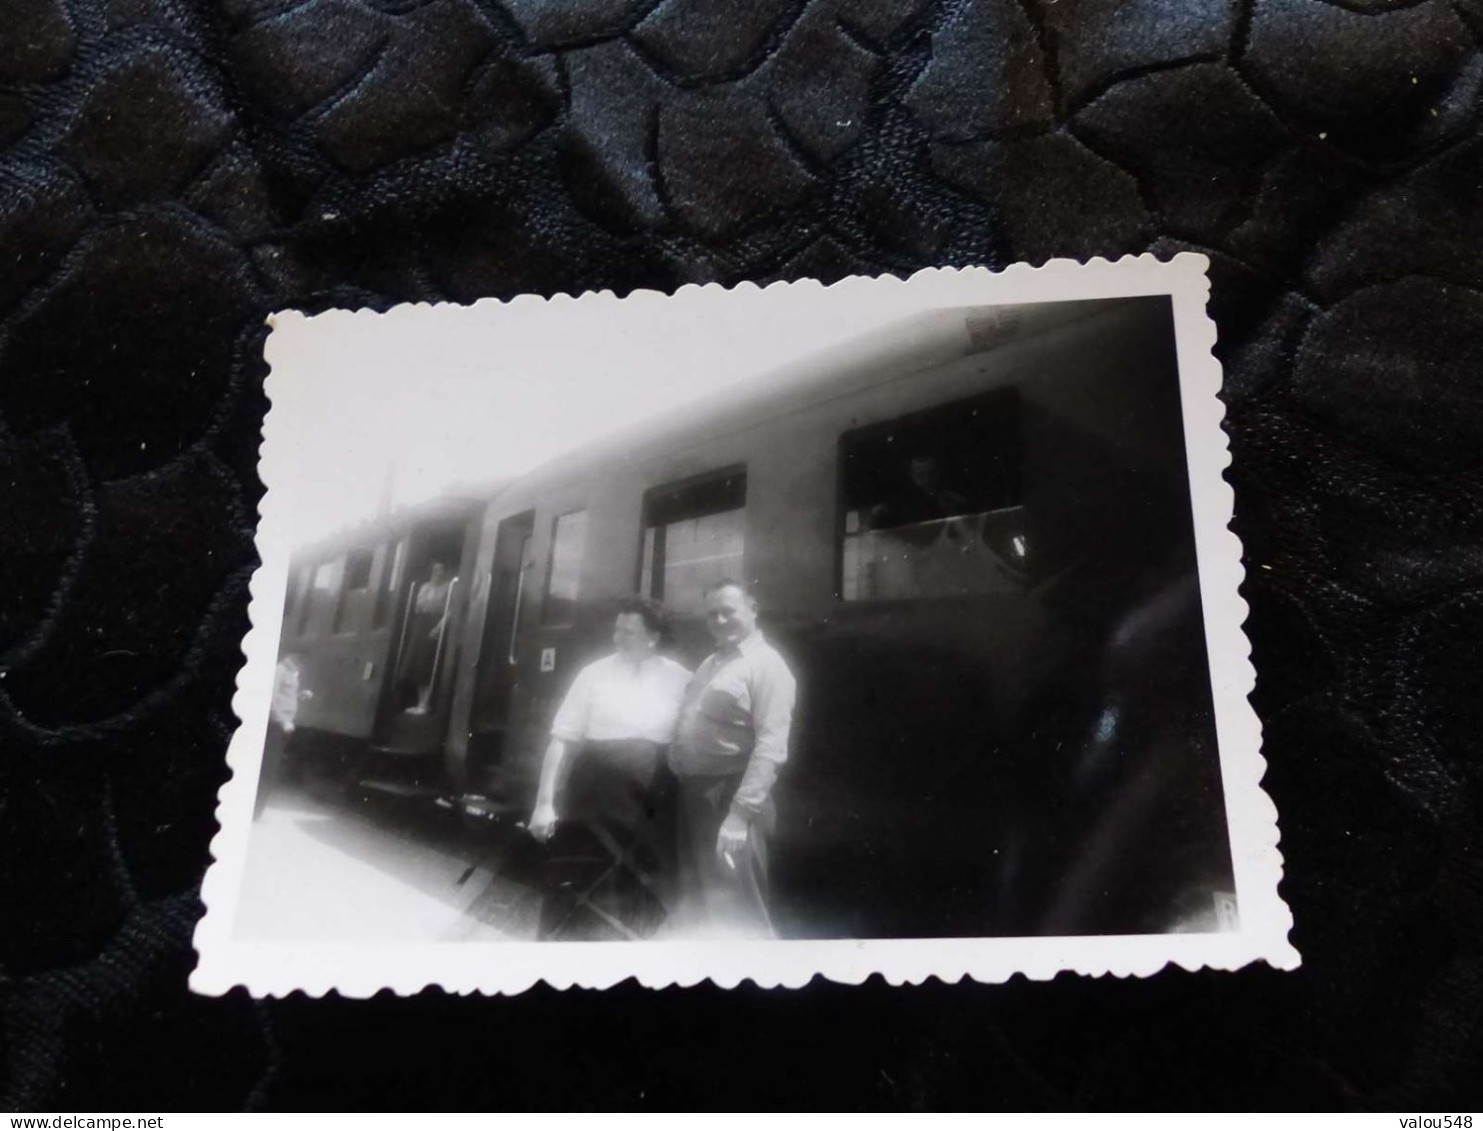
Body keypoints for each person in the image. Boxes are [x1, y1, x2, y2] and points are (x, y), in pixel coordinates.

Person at [527, 597, 691, 938]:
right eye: (617, 629)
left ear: (653, 637)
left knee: (643, 891)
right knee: (581, 888)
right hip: (594, 800)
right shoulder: (593, 675)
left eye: (629, 631)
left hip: (653, 803)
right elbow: (562, 740)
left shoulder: (681, 679)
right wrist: (544, 803)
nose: (618, 637)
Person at [665, 578, 798, 938]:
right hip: (697, 795)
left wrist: (739, 816)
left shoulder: (768, 665)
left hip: (733, 797)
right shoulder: (712, 662)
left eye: (728, 612)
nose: (720, 621)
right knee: (701, 904)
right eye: (712, 615)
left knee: (742, 911)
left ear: (752, 610)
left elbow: (771, 745)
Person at [254, 652, 307, 820]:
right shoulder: (280, 671)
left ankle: (257, 811)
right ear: (293, 660)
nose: (299, 668)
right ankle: (254, 811)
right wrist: (282, 721)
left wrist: (300, 696)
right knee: (268, 768)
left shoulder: (290, 673)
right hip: (277, 725)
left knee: (271, 768)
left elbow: (285, 697)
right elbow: (271, 699)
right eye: (299, 664)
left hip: (283, 726)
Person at [402, 561, 452, 714]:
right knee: (418, 664)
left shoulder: (448, 587)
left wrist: (439, 627)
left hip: (435, 624)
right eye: (435, 570)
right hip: (421, 624)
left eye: (441, 570)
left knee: (429, 663)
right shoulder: (425, 587)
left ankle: (425, 703)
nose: (438, 573)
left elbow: (450, 610)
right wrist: (427, 599)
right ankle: (420, 702)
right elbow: (418, 606)